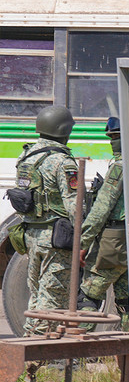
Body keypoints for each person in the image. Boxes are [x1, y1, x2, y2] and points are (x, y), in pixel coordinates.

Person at [76, 117, 129, 331]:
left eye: (116, 137)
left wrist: (83, 242)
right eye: (111, 137)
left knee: (88, 296)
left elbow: (101, 209)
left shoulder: (120, 167)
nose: (112, 142)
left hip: (114, 243)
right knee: (127, 300)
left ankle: (76, 351)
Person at [12, 106, 79, 336]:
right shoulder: (62, 161)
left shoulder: (26, 157)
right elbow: (74, 207)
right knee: (52, 297)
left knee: (37, 293)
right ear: (64, 131)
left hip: (31, 235)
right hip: (55, 240)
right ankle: (39, 351)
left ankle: (29, 339)